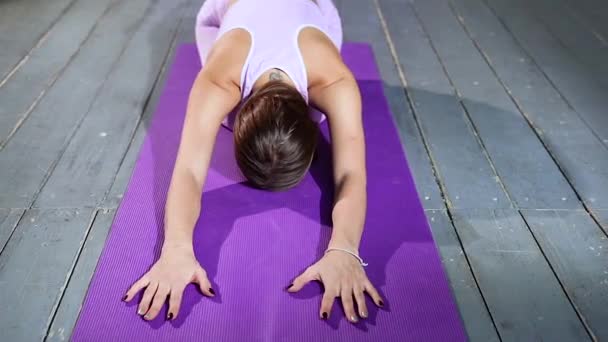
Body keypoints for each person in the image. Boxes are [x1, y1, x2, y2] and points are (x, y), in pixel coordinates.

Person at [122, 0, 384, 324]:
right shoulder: (219, 80)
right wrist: (175, 248)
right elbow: (187, 170)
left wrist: (345, 249)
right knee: (220, 116)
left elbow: (351, 174)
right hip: (229, 12)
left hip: (314, 10)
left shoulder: (335, 83)